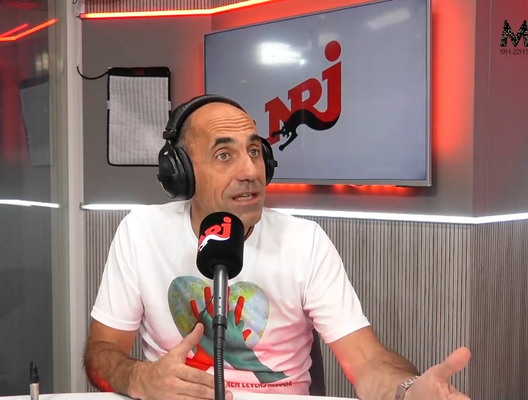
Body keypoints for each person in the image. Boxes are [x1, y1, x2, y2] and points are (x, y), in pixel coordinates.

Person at [83, 94, 471, 400]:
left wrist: (407, 392)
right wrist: (141, 378)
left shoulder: (305, 242)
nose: (250, 171)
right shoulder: (141, 232)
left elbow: (367, 360)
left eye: (255, 152)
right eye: (224, 155)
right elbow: (100, 356)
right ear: (181, 174)